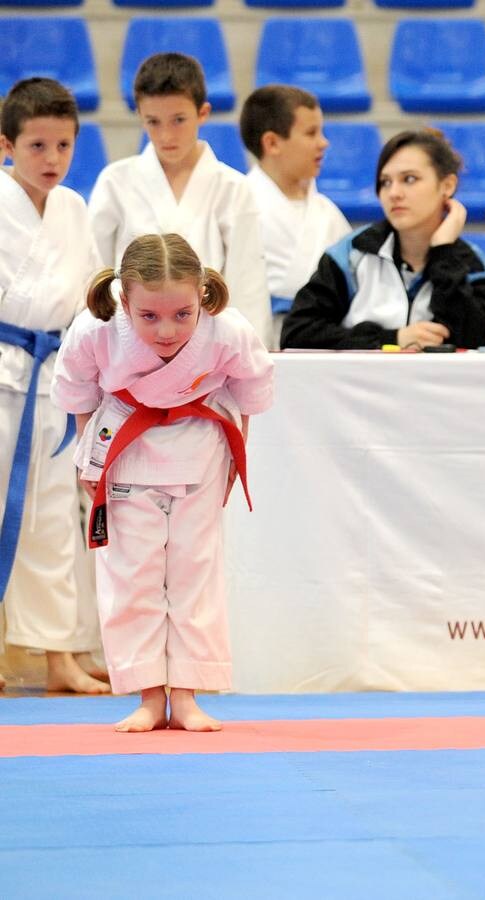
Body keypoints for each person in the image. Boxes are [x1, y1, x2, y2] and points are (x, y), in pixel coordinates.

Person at [51, 233, 273, 732]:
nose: (167, 330)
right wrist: (92, 463)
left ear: (203, 298)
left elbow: (250, 390)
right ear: (123, 300)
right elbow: (79, 395)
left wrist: (238, 457)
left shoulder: (227, 331)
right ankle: (149, 696)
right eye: (148, 316)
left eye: (182, 314)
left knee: (196, 574)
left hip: (200, 449)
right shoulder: (95, 330)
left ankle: (189, 696)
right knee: (133, 578)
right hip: (125, 448)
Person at [0, 77, 108, 694]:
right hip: (3, 370)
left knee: (50, 521)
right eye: (37, 145)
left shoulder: (73, 209)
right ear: (7, 145)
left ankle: (57, 656)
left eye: (63, 146)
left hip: (51, 380)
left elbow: (91, 296)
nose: (52, 160)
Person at [88, 53, 272, 346]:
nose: (165, 134)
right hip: (128, 341)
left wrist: (248, 355)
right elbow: (95, 272)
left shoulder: (233, 188)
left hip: (207, 345)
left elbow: (247, 284)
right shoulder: (115, 181)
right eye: (153, 121)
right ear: (139, 114)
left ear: (203, 113)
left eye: (178, 120)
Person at [281, 129, 485, 351]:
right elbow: (296, 332)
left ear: (447, 186)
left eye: (409, 179)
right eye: (385, 182)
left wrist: (444, 252)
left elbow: (472, 338)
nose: (394, 193)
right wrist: (391, 338)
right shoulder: (351, 254)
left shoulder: (477, 267)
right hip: (361, 384)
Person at [238, 85, 350, 348]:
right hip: (253, 346)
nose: (324, 143)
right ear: (272, 143)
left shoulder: (327, 213)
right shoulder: (236, 206)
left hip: (322, 348)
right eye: (311, 133)